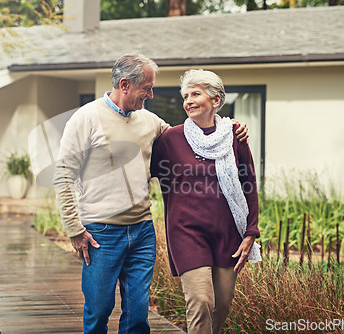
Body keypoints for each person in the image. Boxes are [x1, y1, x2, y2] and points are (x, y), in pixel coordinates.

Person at [53, 54, 248, 334]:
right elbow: (63, 174)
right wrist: (74, 228)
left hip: (142, 232)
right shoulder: (86, 118)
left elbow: (191, 140)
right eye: (147, 87)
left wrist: (230, 129)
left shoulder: (150, 121)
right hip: (100, 234)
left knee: (137, 315)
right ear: (125, 85)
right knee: (98, 311)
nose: (151, 94)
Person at [151, 69, 262, 334]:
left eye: (195, 94)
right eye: (185, 95)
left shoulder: (235, 135)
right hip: (186, 233)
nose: (188, 100)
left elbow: (249, 183)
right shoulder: (170, 139)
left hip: (227, 233)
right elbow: (139, 169)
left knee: (221, 305)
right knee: (201, 302)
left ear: (215, 100)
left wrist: (251, 231)